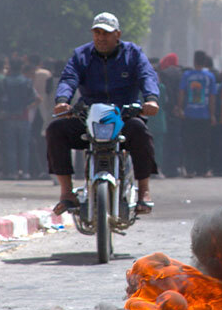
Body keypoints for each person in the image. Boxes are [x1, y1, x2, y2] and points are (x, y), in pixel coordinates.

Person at [46, 12, 160, 215]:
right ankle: (66, 192)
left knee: (140, 131)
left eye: (106, 33)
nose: (101, 37)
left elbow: (147, 75)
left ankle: (144, 190)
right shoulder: (81, 55)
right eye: (97, 33)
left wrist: (151, 99)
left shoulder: (133, 53)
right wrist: (62, 101)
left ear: (117, 34)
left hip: (124, 116)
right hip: (89, 116)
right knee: (55, 130)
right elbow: (68, 78)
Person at [178, 50, 217, 177]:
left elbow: (182, 94)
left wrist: (180, 109)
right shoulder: (210, 76)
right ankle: (204, 170)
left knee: (189, 143)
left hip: (189, 114)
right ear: (205, 62)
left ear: (194, 61)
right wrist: (212, 115)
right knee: (204, 144)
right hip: (204, 115)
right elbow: (212, 97)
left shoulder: (187, 75)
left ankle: (190, 170)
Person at [0, 56, 39, 179]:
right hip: (24, 116)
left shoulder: (5, 81)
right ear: (21, 67)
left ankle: (13, 172)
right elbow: (34, 98)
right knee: (24, 147)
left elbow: (1, 98)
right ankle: (25, 172)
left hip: (9, 117)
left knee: (11, 147)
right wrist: (26, 106)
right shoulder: (26, 81)